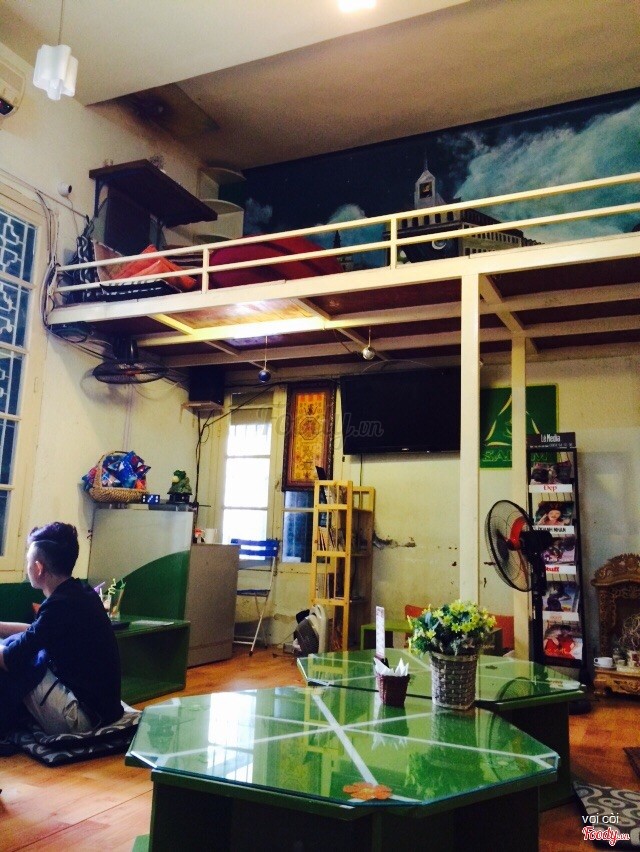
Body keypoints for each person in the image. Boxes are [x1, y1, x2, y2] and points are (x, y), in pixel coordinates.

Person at [0, 522, 123, 735]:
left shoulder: (60, 605)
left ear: (38, 568)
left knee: (20, 660)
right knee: (17, 645)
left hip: (82, 718)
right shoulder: (79, 592)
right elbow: (36, 632)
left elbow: (12, 658)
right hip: (104, 711)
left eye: (28, 561)